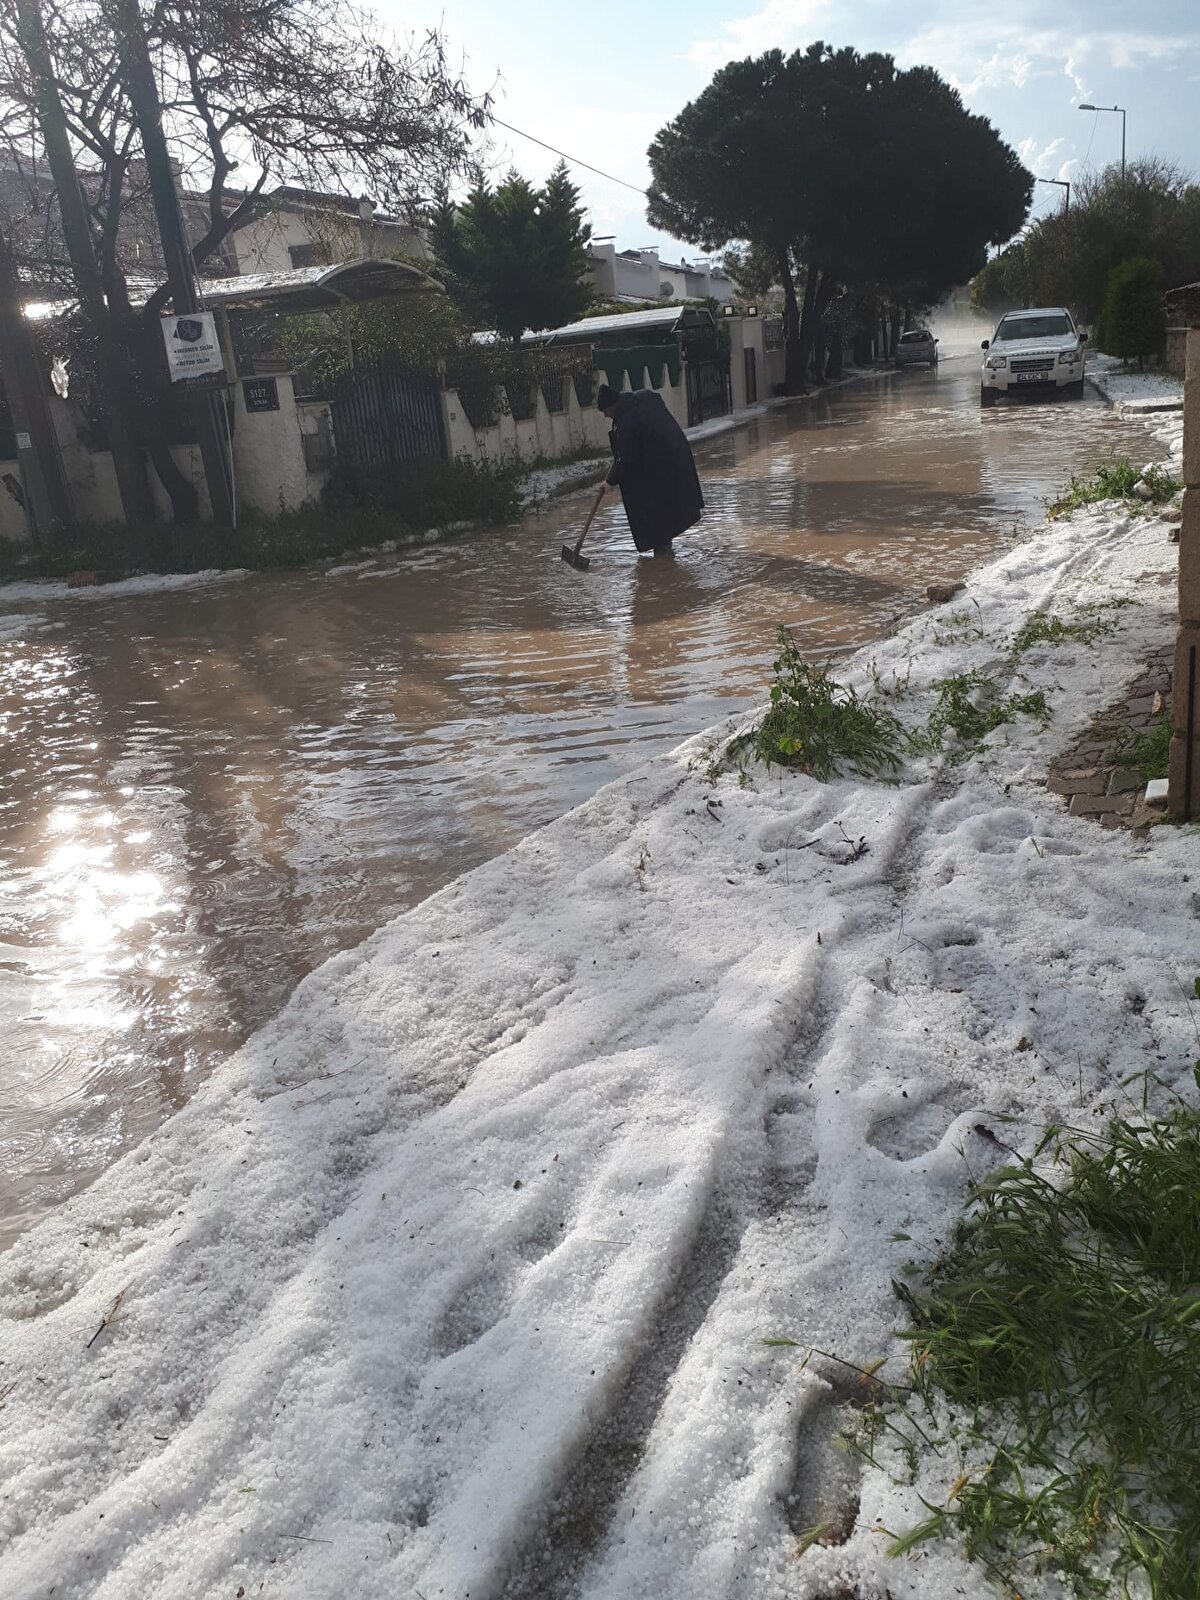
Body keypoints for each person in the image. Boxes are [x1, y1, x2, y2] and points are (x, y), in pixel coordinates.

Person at [597, 383, 703, 557]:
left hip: (659, 466)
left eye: (605, 411)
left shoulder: (627, 421)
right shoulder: (637, 402)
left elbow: (627, 459)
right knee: (661, 508)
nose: (605, 415)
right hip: (669, 457)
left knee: (654, 509)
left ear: (612, 406)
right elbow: (625, 454)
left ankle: (663, 562)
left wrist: (609, 482)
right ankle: (664, 554)